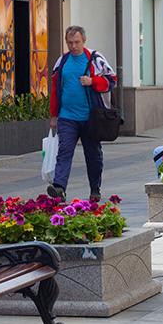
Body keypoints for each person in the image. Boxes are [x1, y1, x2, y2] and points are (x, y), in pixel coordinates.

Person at [47, 25, 116, 202]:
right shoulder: (62, 61)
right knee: (64, 152)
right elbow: (55, 89)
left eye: (76, 42)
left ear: (84, 40)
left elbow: (111, 81)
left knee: (93, 154)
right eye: (69, 43)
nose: (73, 46)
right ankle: (59, 187)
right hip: (67, 117)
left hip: (91, 118)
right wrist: (54, 115)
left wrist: (93, 81)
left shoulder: (95, 59)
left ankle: (95, 188)